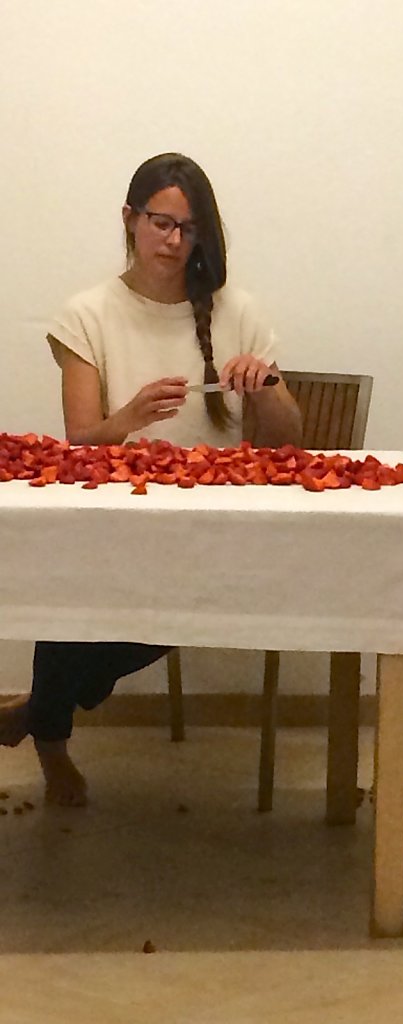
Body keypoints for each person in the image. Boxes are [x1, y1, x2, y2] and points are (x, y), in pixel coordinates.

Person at [0, 153, 302, 806]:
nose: (174, 242)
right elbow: (79, 439)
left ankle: (38, 713)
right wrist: (130, 417)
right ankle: (51, 739)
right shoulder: (87, 312)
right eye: (162, 224)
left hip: (213, 525)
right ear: (129, 219)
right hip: (115, 518)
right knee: (68, 596)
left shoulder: (236, 309)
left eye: (189, 229)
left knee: (191, 601)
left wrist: (268, 385)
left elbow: (286, 441)